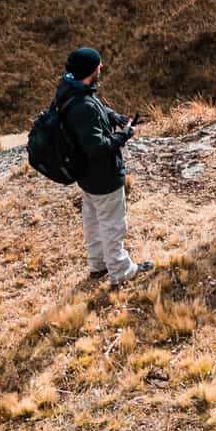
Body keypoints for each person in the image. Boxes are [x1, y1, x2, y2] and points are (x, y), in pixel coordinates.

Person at [52, 47, 152, 286]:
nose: (101, 67)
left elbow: (94, 107)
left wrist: (115, 117)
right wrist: (125, 134)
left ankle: (98, 265)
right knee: (113, 224)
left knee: (93, 219)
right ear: (90, 70)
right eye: (98, 65)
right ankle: (121, 270)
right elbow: (98, 147)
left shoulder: (69, 89)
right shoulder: (83, 106)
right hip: (103, 176)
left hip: (86, 176)